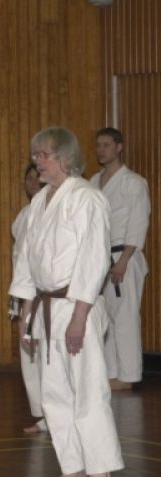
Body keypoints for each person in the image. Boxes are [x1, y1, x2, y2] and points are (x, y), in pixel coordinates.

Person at [10, 127, 124, 477]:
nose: (38, 162)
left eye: (44, 155)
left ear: (66, 157)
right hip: (46, 308)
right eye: (36, 155)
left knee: (88, 391)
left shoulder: (86, 198)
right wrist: (26, 314)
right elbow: (28, 261)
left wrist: (80, 316)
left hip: (77, 306)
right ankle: (73, 469)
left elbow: (94, 259)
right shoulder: (40, 202)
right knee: (54, 394)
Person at [90, 127, 150, 391]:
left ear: (119, 147)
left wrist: (124, 260)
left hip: (125, 255)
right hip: (100, 257)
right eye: (98, 145)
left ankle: (129, 375)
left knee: (125, 316)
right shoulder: (94, 181)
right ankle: (112, 371)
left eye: (106, 145)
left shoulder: (134, 183)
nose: (101, 150)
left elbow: (138, 224)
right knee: (107, 316)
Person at [10, 163, 47, 434]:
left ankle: (53, 413)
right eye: (28, 178)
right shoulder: (25, 213)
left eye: (37, 177)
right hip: (24, 291)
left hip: (41, 292)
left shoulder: (48, 210)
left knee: (42, 354)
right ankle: (41, 413)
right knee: (28, 356)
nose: (32, 182)